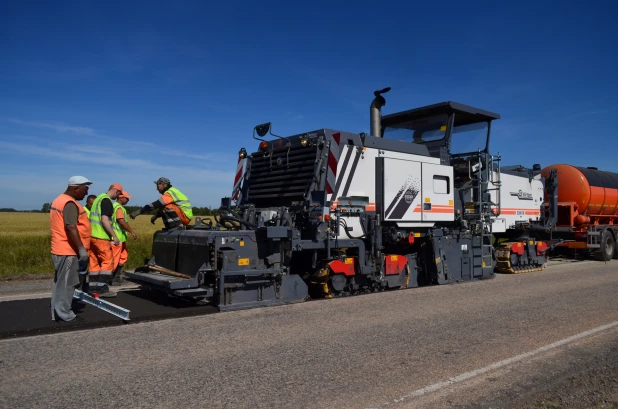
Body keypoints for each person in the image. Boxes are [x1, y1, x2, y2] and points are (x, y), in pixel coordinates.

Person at [49, 176, 92, 323]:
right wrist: (81, 248)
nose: (86, 194)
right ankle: (65, 314)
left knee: (59, 283)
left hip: (60, 248)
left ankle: (56, 312)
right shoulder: (69, 203)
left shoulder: (59, 200)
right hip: (67, 250)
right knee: (68, 283)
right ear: (76, 188)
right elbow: (71, 226)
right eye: (85, 190)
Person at [88, 183, 123, 297]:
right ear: (115, 190)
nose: (118, 196)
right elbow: (104, 220)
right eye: (118, 193)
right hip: (101, 237)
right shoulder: (106, 201)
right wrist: (114, 236)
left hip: (91, 237)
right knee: (107, 262)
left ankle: (93, 288)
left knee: (94, 263)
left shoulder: (98, 199)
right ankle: (102, 288)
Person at [111, 190, 137, 286]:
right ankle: (113, 279)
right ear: (121, 198)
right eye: (127, 198)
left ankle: (116, 277)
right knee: (115, 259)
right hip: (117, 238)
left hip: (120, 238)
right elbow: (121, 221)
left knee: (123, 256)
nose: (128, 201)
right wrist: (132, 231)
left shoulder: (116, 206)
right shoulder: (118, 207)